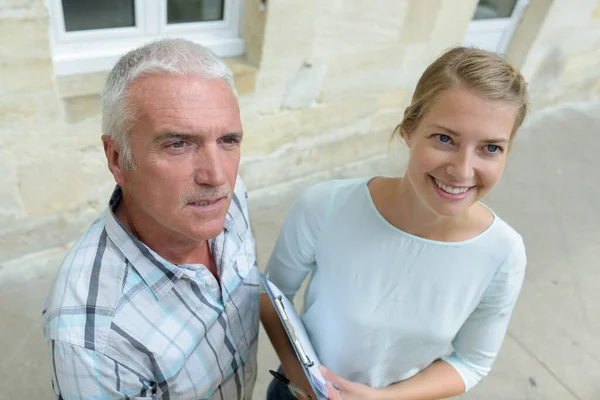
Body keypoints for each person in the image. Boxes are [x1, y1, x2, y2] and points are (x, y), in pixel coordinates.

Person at [261, 46, 529, 400]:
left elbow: (472, 362)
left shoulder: (504, 254)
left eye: (491, 148)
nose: (463, 171)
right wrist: (308, 384)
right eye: (445, 138)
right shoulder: (324, 206)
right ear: (408, 128)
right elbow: (271, 297)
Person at [42, 38, 259, 399]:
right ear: (116, 158)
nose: (217, 177)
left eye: (228, 140)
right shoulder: (93, 338)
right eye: (178, 144)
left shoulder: (231, 200)